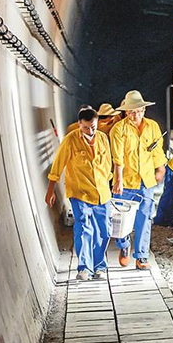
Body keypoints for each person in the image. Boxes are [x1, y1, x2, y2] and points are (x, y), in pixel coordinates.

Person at [46, 106, 113, 281]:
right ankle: (84, 267)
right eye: (86, 127)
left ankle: (100, 266)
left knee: (105, 231)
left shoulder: (103, 139)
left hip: (102, 193)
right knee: (84, 227)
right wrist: (50, 189)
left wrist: (111, 184)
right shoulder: (70, 140)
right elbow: (58, 164)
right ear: (79, 124)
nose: (90, 131)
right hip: (79, 192)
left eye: (93, 127)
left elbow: (107, 164)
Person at [109, 90, 167, 269]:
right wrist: (117, 180)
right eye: (132, 111)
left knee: (145, 217)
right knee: (121, 219)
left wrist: (160, 168)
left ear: (144, 110)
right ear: (126, 112)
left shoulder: (152, 127)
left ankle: (141, 257)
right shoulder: (119, 129)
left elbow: (157, 150)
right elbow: (117, 157)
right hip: (125, 181)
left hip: (146, 181)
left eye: (139, 111)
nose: (136, 115)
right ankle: (124, 245)